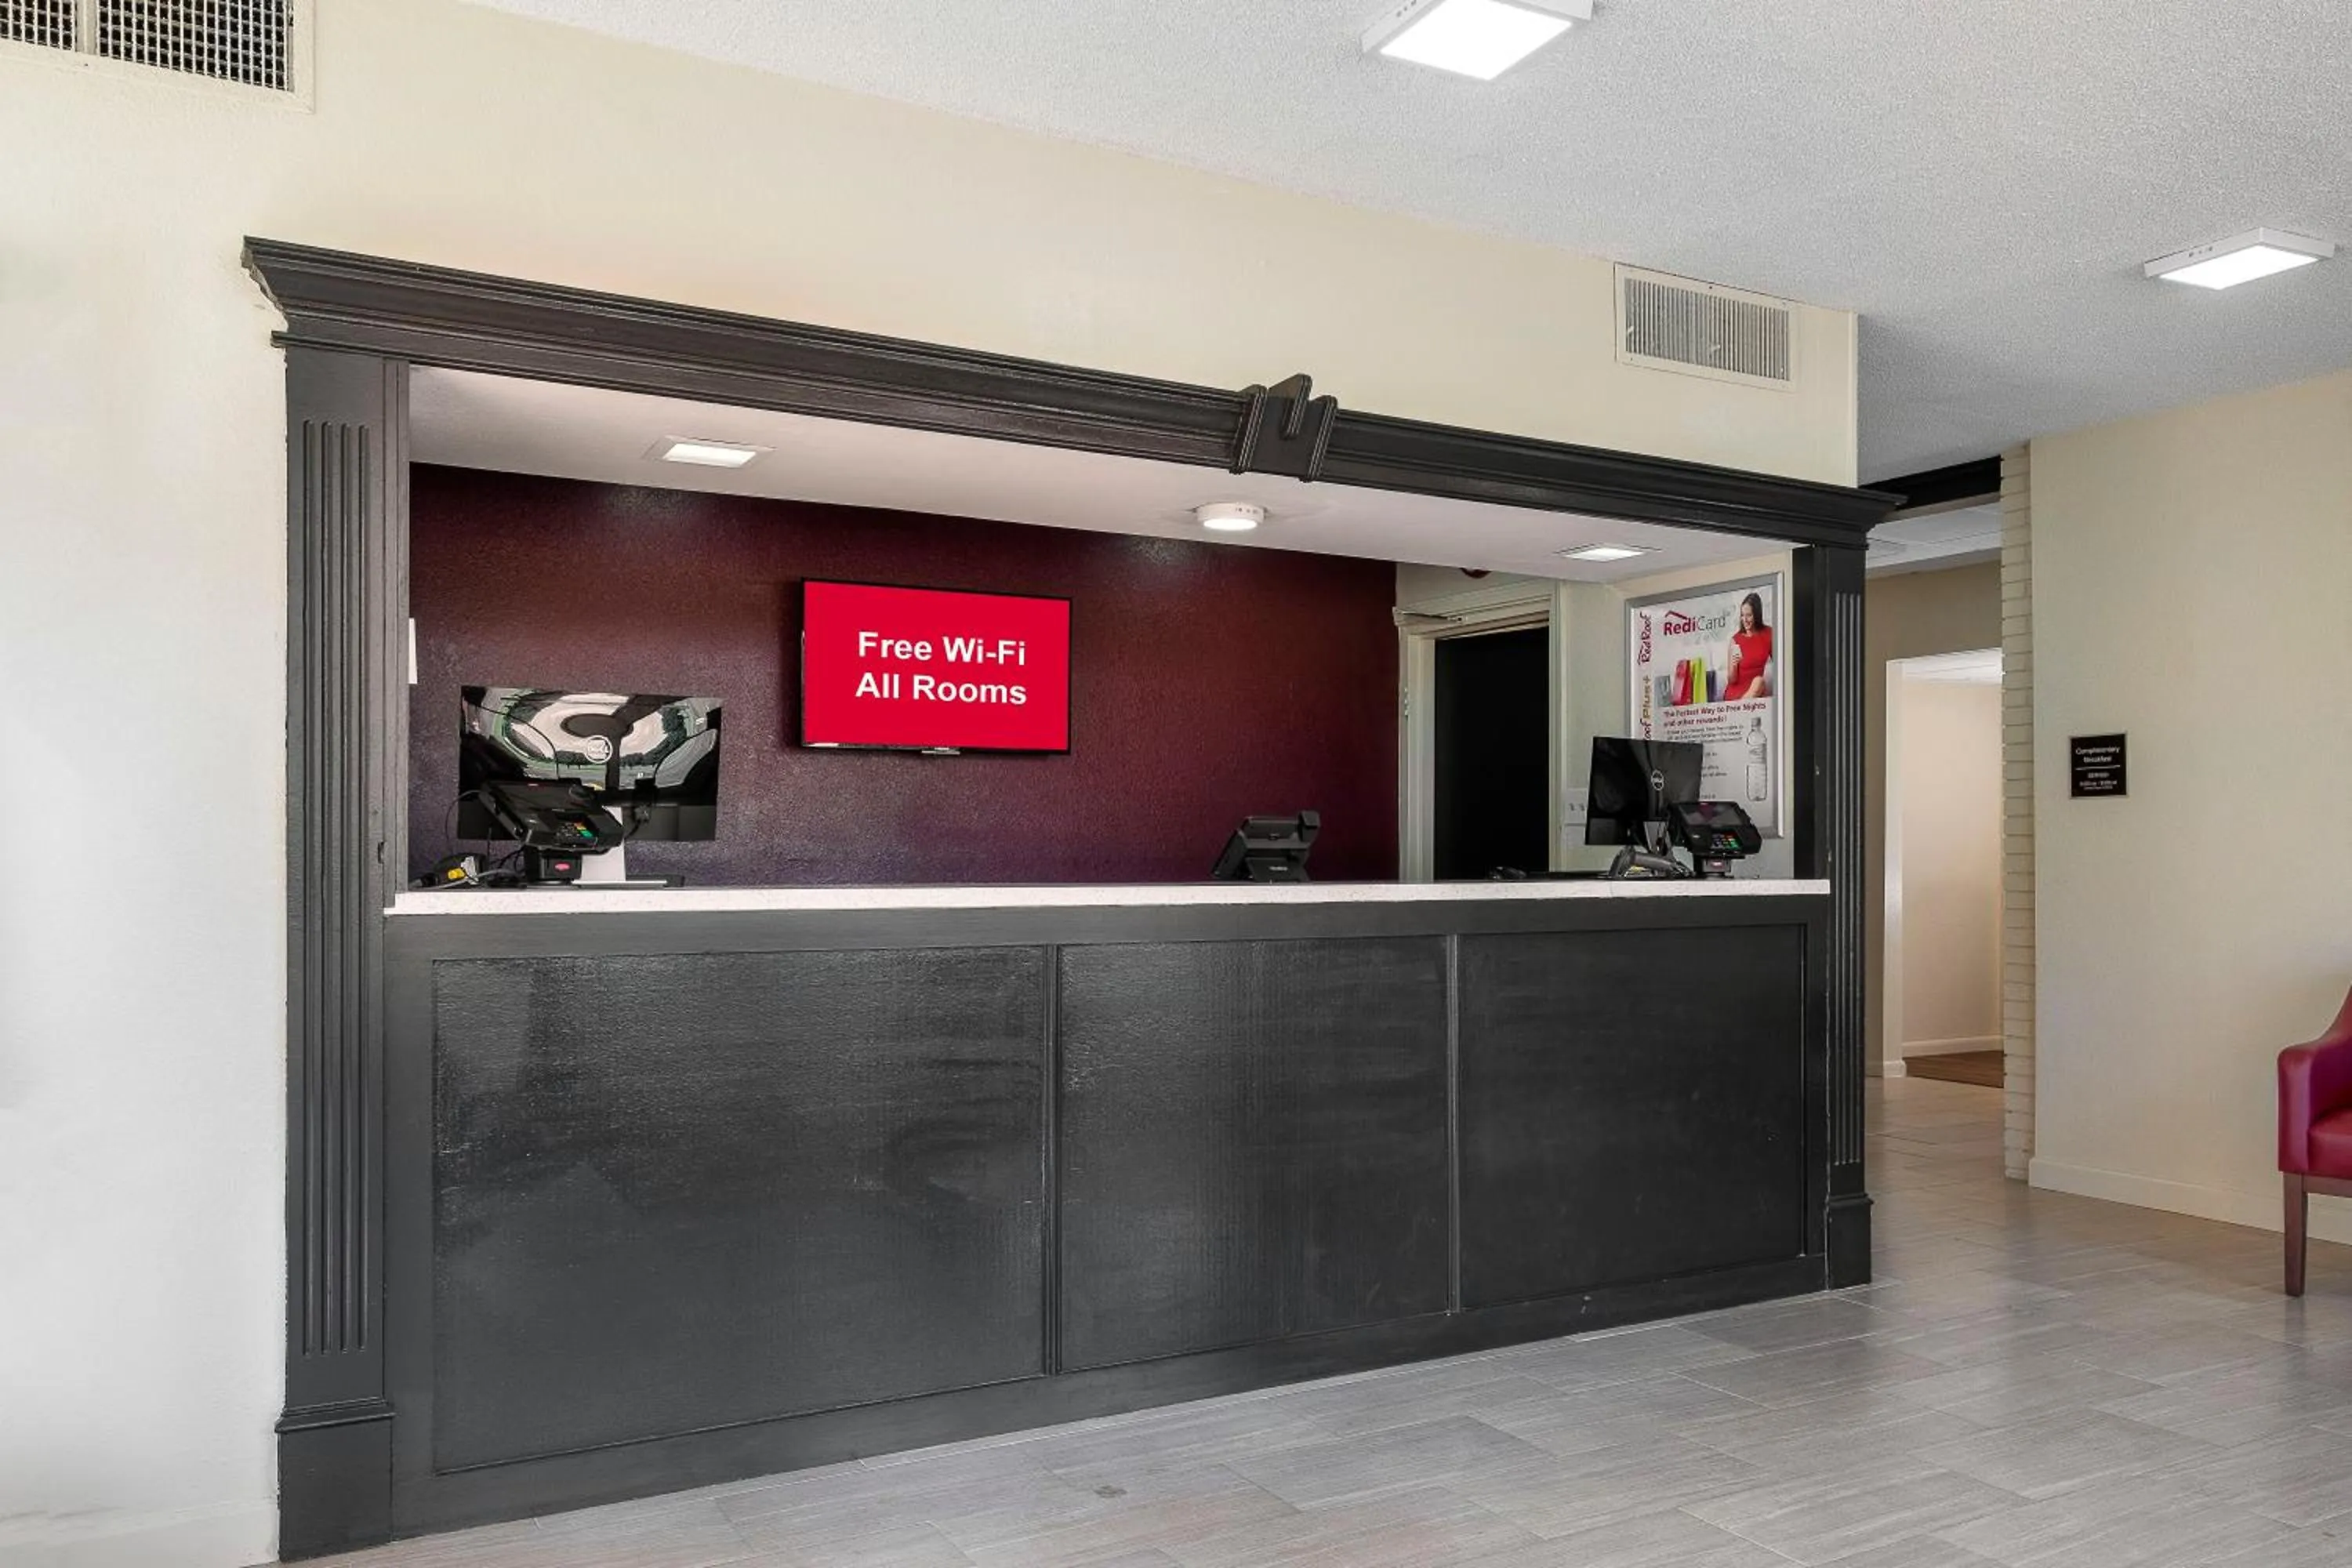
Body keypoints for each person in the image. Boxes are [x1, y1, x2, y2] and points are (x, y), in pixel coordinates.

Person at [1721, 592, 1773, 700]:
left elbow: (1780, 664)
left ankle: (1742, 709)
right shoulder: (1735, 640)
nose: (1745, 620)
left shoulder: (1769, 633)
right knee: (1759, 681)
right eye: (1742, 615)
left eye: (1749, 615)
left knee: (1759, 681)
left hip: (1756, 689)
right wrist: (1734, 665)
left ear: (1757, 615)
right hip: (1735, 693)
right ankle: (1741, 708)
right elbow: (1732, 680)